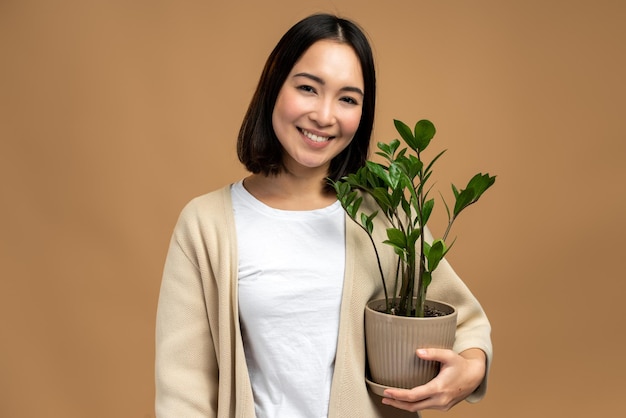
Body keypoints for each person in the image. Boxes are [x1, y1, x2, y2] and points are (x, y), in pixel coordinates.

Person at [155, 13, 492, 418]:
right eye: (308, 89)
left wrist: (470, 368)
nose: (325, 115)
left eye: (348, 98)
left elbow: (465, 321)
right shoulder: (206, 225)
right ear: (274, 88)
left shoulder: (384, 214)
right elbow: (183, 388)